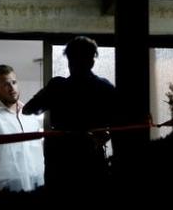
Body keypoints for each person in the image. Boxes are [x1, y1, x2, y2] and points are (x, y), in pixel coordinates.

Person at [23, 36, 117, 192]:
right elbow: (120, 120)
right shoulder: (104, 87)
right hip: (90, 155)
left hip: (61, 157)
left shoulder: (58, 86)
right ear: (92, 61)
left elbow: (28, 109)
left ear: (69, 60)